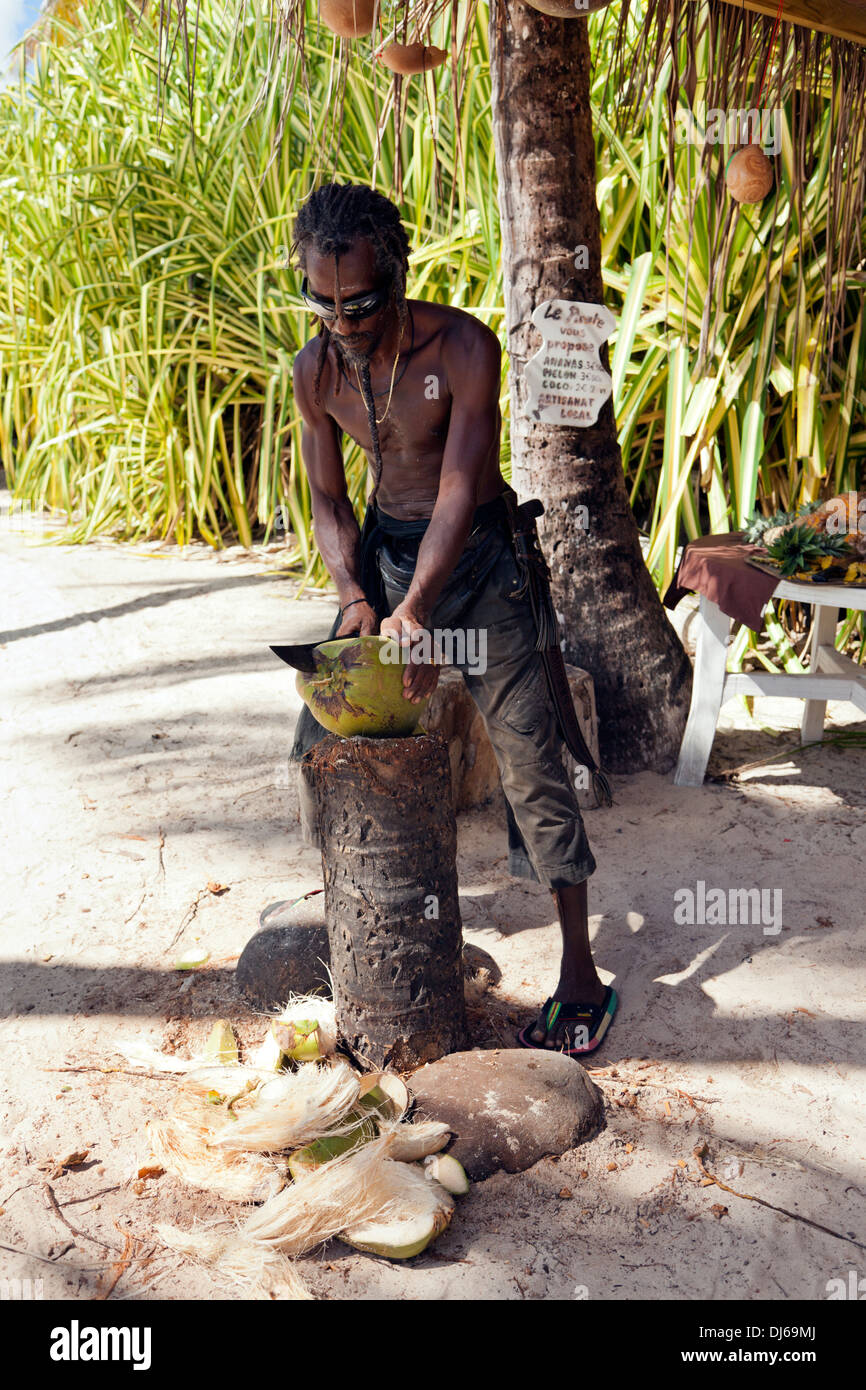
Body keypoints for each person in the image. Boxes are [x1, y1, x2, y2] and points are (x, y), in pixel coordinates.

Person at [284, 181, 617, 1055]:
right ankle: (362, 951)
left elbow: (462, 487)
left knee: (530, 769)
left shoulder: (462, 346)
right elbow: (327, 498)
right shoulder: (312, 370)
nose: (341, 320)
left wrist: (420, 607)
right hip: (388, 563)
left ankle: (581, 975)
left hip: (480, 563)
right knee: (323, 743)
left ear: (395, 275)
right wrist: (360, 598)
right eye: (320, 301)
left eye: (358, 301)